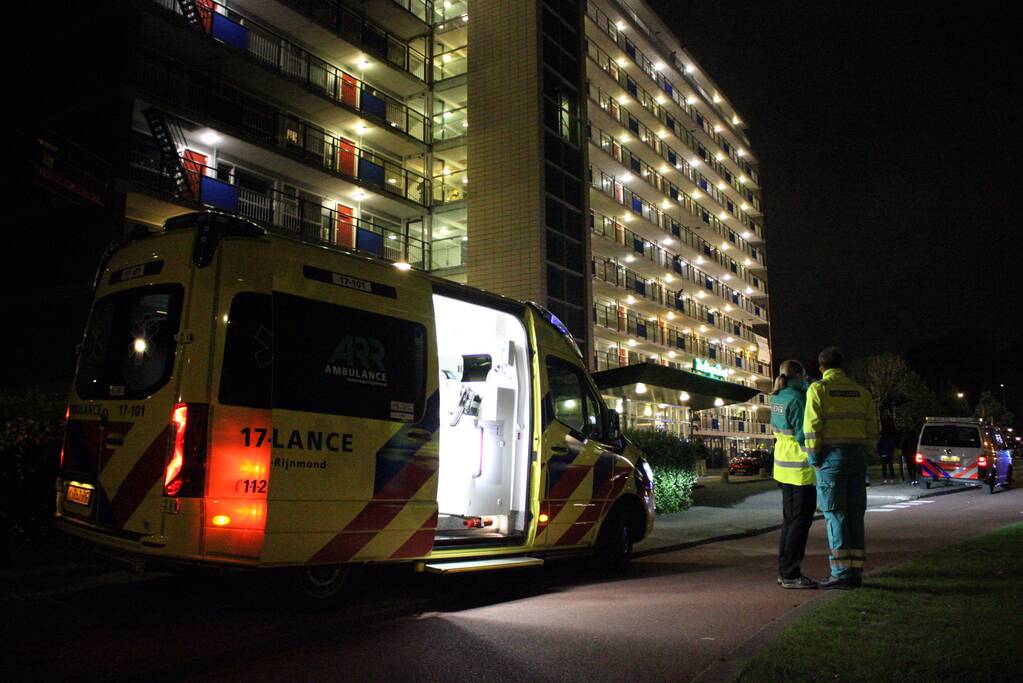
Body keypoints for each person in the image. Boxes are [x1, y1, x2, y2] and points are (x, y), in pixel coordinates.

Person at [804, 347, 878, 590]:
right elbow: (871, 427)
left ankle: (840, 573)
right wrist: (867, 452)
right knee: (856, 513)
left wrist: (814, 457)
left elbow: (812, 427)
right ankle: (856, 570)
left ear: (821, 367)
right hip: (857, 458)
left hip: (831, 458)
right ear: (842, 365)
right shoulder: (861, 392)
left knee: (836, 514)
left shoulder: (819, 389)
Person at [770, 360, 818, 589]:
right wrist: (817, 459)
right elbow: (804, 435)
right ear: (798, 374)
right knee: (800, 522)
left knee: (789, 521)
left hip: (782, 465)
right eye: (804, 375)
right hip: (799, 466)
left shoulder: (777, 396)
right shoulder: (798, 399)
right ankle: (791, 574)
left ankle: (785, 571)